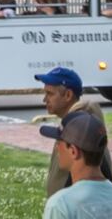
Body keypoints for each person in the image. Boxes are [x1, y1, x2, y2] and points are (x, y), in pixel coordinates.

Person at [31, 68, 85, 197]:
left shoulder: (80, 132)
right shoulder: (70, 125)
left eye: (50, 94)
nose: (45, 100)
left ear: (68, 95)